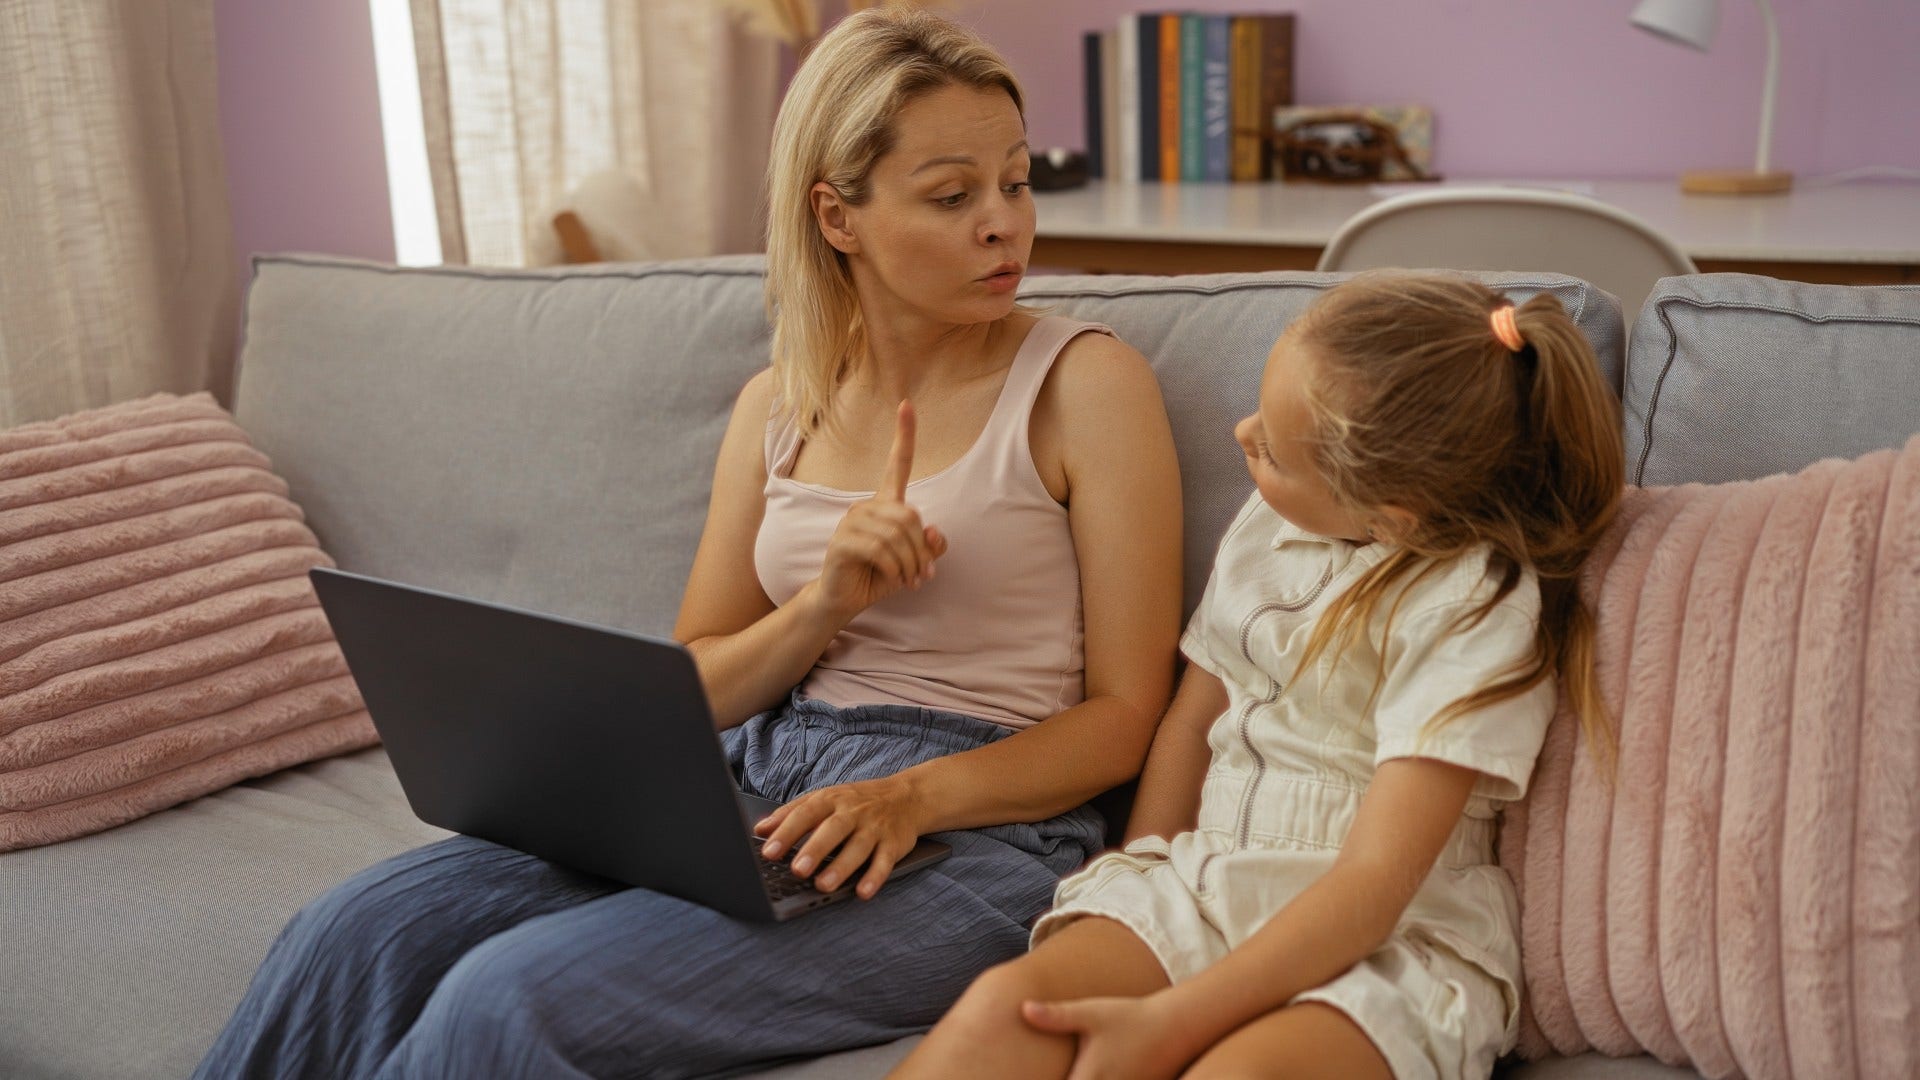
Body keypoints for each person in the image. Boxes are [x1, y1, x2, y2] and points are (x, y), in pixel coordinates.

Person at [193, 9, 1183, 1079]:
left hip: (976, 831)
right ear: (836, 216)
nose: (1004, 225)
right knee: (353, 936)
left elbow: (1126, 719)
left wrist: (909, 796)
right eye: (953, 196)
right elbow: (697, 682)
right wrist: (820, 608)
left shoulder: (1086, 385)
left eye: (1017, 183)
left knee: (511, 997)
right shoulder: (778, 406)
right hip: (746, 780)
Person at [896, 272, 1626, 1080]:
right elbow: (1194, 718)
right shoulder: (1267, 525)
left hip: (1393, 935)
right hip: (1210, 883)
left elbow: (1374, 884)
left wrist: (1173, 1023)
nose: (1241, 434)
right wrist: (1137, 878)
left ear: (1391, 517)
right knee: (1001, 1014)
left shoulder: (1476, 606)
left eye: (1273, 450)